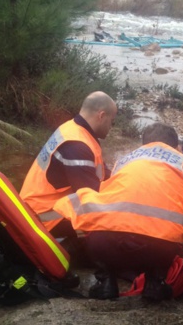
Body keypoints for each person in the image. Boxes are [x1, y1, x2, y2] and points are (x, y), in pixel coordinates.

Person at [53, 123, 183, 300]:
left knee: (105, 222)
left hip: (106, 247)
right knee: (167, 231)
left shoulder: (124, 162)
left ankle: (106, 281)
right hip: (156, 250)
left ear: (143, 144)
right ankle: (154, 283)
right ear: (176, 147)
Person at [20, 91, 117, 235]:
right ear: (101, 116)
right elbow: (91, 200)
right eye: (111, 121)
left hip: (35, 207)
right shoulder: (77, 146)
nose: (111, 127)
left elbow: (101, 172)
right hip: (44, 219)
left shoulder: (72, 129)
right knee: (112, 226)